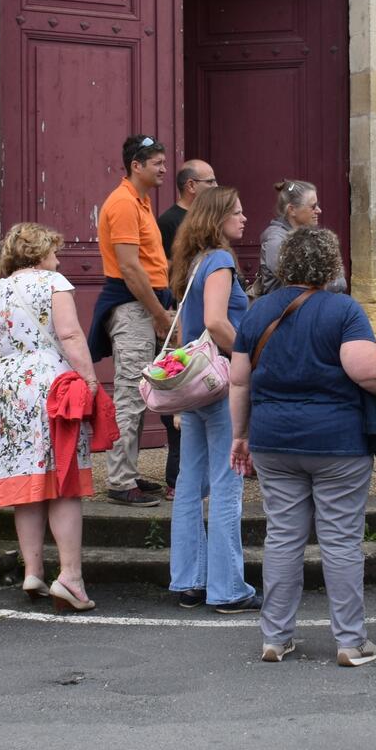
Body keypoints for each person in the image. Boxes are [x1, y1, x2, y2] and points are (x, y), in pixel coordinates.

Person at [229, 227, 376, 667]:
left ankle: (275, 637)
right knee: (340, 540)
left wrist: (240, 435)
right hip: (336, 440)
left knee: (282, 537)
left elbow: (239, 380)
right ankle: (350, 641)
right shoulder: (343, 310)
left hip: (273, 438)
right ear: (331, 264)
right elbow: (370, 374)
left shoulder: (258, 311)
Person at [0, 223, 99, 610]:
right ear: (42, 253)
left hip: (6, 386)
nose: (58, 259)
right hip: (49, 384)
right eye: (54, 252)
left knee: (24, 481)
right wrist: (91, 379)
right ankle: (71, 577)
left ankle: (33, 571)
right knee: (63, 479)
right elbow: (71, 336)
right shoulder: (53, 283)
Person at [166, 186, 260, 613]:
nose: (244, 218)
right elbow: (215, 322)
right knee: (226, 484)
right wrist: (250, 354)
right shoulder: (220, 260)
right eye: (237, 213)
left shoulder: (192, 262)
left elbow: (189, 332)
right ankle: (227, 588)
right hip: (222, 382)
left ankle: (190, 581)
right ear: (218, 218)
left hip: (195, 382)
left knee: (189, 483)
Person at [86, 135, 174, 507]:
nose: (164, 169)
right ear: (136, 166)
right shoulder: (123, 203)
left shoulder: (140, 201)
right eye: (156, 163)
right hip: (134, 307)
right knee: (130, 395)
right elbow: (129, 268)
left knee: (138, 393)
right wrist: (158, 314)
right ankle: (121, 481)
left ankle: (128, 472)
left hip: (143, 305)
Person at [155, 159, 216, 501]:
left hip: (196, 311)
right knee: (178, 391)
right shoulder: (169, 221)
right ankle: (176, 477)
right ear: (192, 185)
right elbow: (162, 267)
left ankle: (194, 476)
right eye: (210, 181)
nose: (215, 185)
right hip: (178, 313)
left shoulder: (202, 221)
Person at [254, 179, 347, 297]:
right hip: (286, 312)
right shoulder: (275, 241)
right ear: (292, 210)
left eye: (317, 205)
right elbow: (297, 284)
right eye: (313, 206)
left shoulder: (311, 235)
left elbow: (340, 281)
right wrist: (329, 282)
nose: (319, 211)